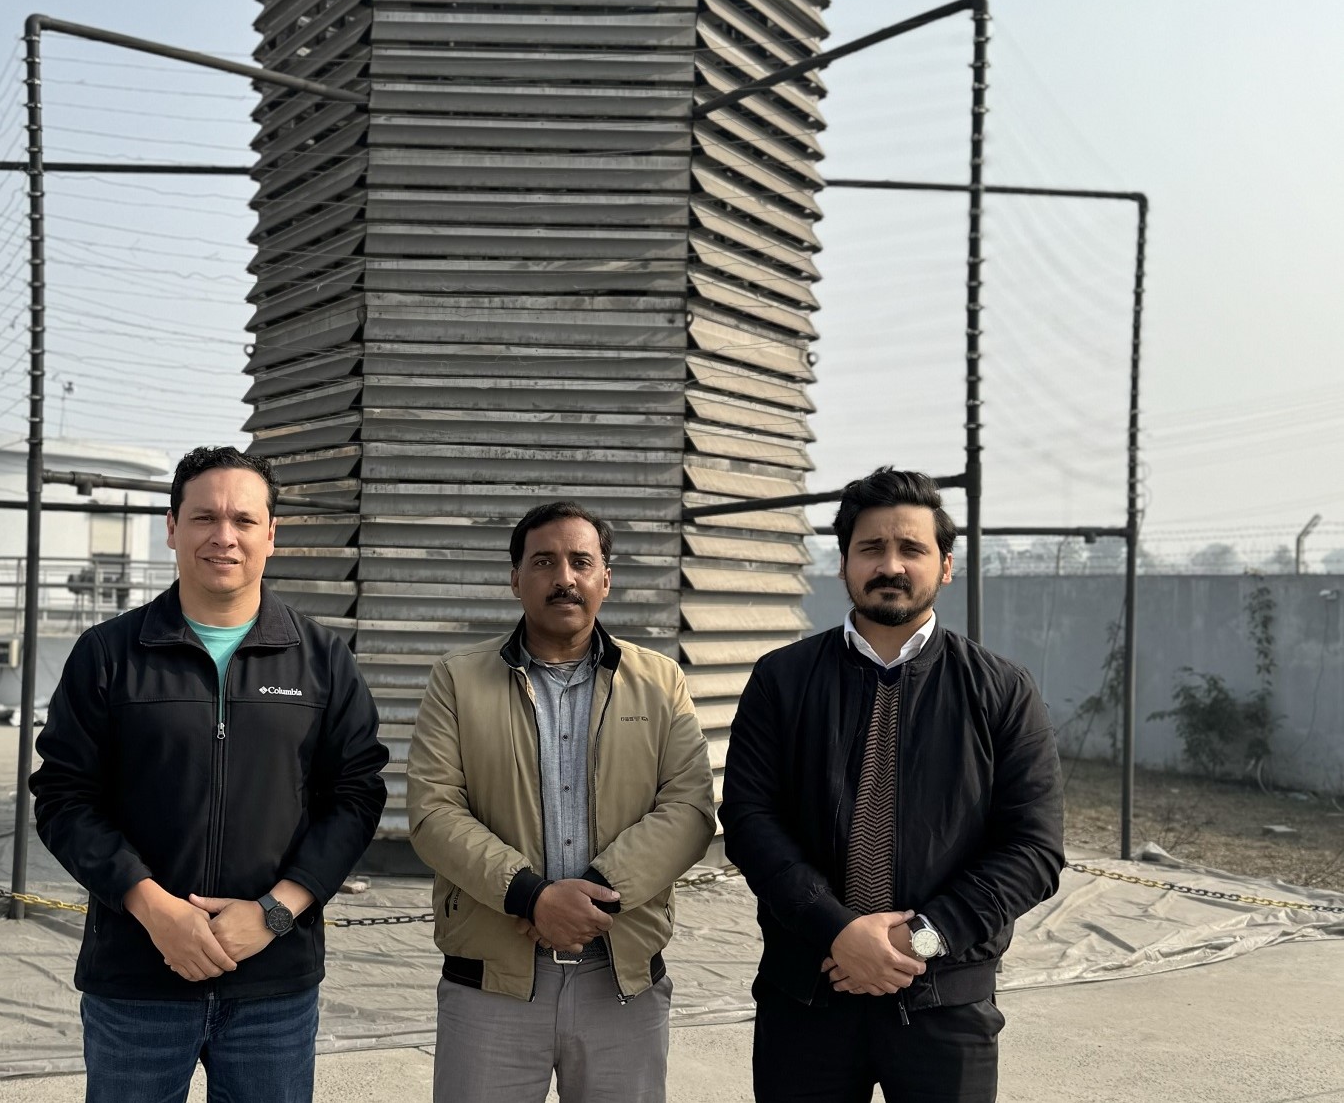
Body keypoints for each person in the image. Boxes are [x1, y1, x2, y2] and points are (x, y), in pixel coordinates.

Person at [31, 445, 388, 1103]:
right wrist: (153, 908)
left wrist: (276, 912)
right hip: (137, 982)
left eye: (244, 520)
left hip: (272, 988)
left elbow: (357, 798)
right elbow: (63, 798)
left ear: (271, 535)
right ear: (172, 527)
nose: (224, 535)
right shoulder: (108, 654)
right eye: (204, 517)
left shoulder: (322, 661)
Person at [720, 467, 1065, 1103]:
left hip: (945, 1002)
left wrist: (917, 939)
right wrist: (836, 930)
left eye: (912, 548)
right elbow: (749, 819)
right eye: (871, 548)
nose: (891, 565)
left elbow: (1033, 849)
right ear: (843, 562)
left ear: (946, 566)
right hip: (808, 993)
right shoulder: (781, 679)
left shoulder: (1001, 690)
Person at [407, 500, 716, 1103]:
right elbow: (433, 812)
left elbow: (689, 810)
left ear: (606, 578)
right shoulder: (457, 680)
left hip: (620, 982)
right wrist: (532, 896)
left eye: (581, 561)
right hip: (491, 984)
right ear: (515, 578)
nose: (564, 578)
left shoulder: (660, 681)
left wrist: (594, 895)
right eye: (544, 562)